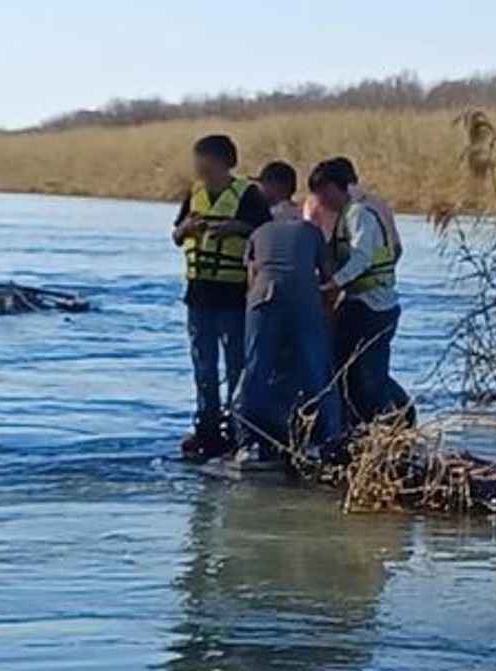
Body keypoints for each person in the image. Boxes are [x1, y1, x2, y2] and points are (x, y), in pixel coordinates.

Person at [172, 135, 272, 459]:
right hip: (198, 294)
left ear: (223, 162)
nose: (199, 167)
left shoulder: (248, 195)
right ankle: (206, 429)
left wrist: (237, 229)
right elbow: (176, 235)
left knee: (236, 366)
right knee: (203, 366)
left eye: (204, 160)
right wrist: (186, 227)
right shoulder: (194, 193)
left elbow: (266, 235)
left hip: (233, 294)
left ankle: (237, 429)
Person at [229, 218, 343, 470]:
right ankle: (328, 442)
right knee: (316, 372)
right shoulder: (312, 232)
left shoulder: (258, 231)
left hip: (262, 298)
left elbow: (252, 279)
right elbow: (329, 277)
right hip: (303, 299)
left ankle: (248, 444)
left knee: (254, 371)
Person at [307, 158, 406, 426]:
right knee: (345, 368)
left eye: (324, 193)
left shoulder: (359, 214)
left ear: (339, 188)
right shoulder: (344, 216)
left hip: (375, 306)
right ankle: (358, 425)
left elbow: (361, 258)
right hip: (356, 303)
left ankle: (390, 428)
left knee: (370, 375)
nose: (322, 201)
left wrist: (334, 283)